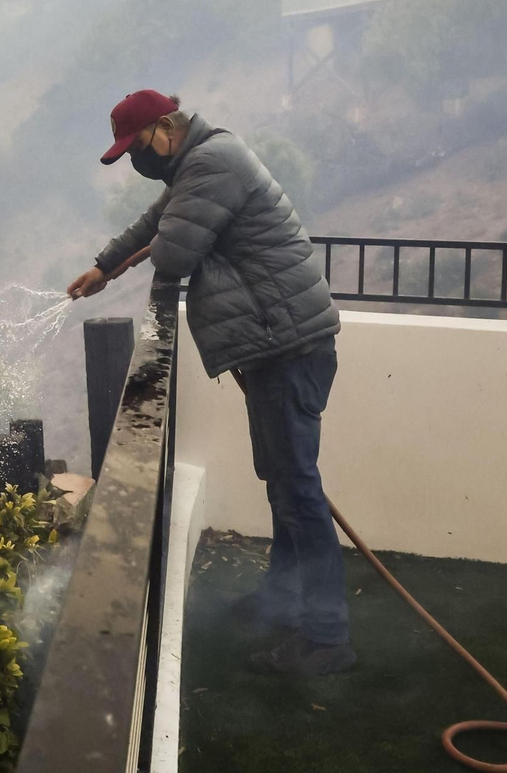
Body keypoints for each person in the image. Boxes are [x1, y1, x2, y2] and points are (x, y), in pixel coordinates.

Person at [67, 89, 354, 675]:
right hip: (279, 344)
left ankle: (327, 640)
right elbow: (156, 223)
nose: (136, 163)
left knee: (299, 492)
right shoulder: (197, 163)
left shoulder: (211, 162)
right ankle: (280, 603)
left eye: (137, 148)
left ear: (167, 127)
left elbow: (173, 251)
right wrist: (104, 264)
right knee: (285, 486)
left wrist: (139, 260)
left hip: (289, 345)